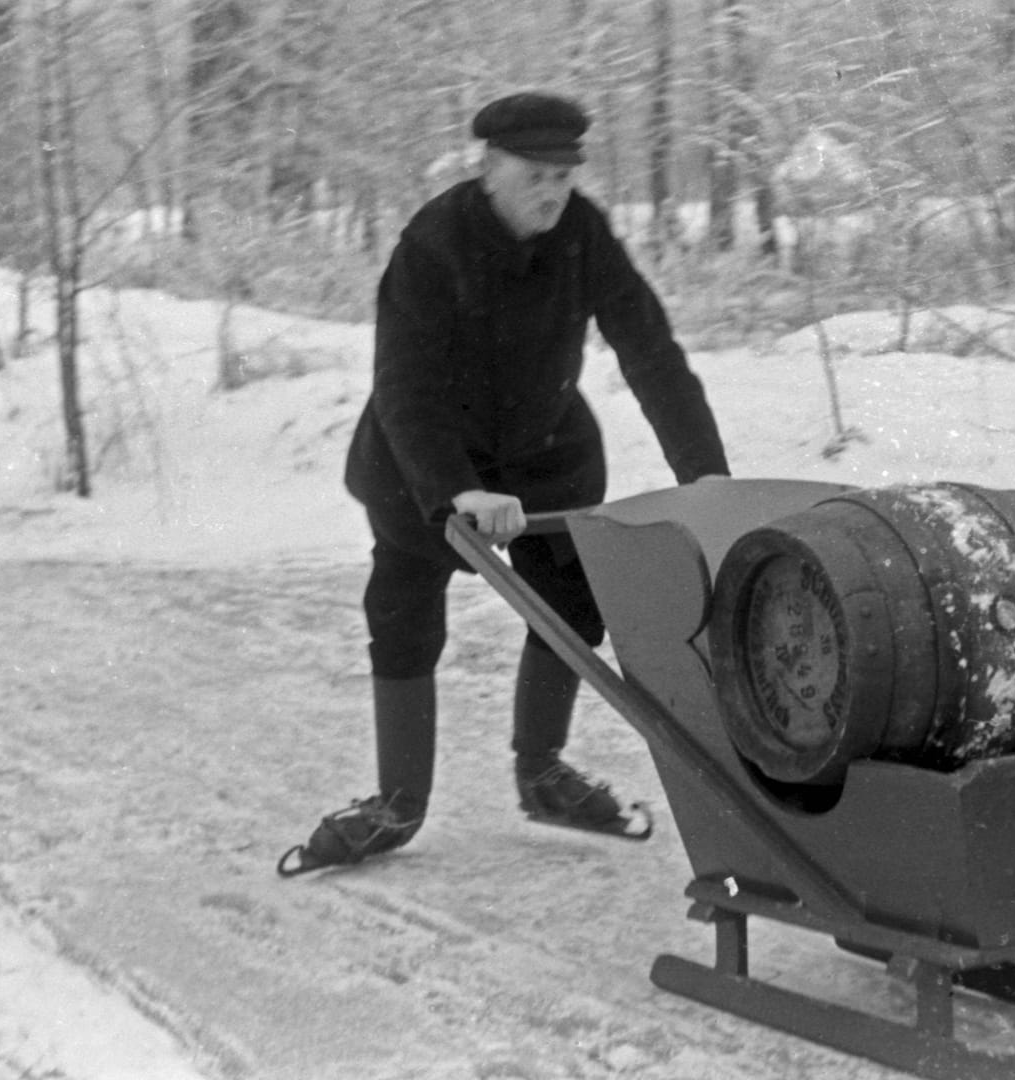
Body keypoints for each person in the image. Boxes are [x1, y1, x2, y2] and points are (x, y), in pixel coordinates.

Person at [279, 92, 730, 876]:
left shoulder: (583, 233)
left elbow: (649, 350)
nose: (552, 191)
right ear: (489, 168)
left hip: (542, 450)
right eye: (534, 174)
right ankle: (397, 804)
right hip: (426, 457)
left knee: (573, 601)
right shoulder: (434, 243)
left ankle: (542, 771)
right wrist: (456, 490)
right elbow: (405, 387)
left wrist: (708, 475)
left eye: (563, 174)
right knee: (404, 607)